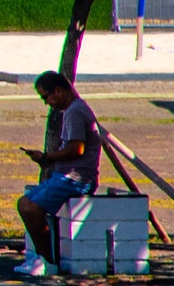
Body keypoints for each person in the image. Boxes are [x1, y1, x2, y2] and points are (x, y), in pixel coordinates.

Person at [17, 70, 110, 275]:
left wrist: (46, 157)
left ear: (58, 90)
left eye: (46, 96)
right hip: (65, 176)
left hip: (76, 178)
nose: (47, 102)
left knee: (32, 208)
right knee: (24, 204)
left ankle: (48, 261)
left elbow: (77, 148)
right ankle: (40, 258)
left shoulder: (75, 112)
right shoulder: (71, 111)